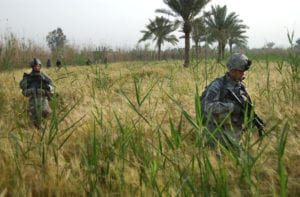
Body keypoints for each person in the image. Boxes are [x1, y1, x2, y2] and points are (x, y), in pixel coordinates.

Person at [200, 53, 257, 150]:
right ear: (232, 70)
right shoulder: (217, 85)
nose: (243, 74)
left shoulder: (240, 87)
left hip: (234, 135)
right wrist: (232, 107)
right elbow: (208, 106)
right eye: (240, 71)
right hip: (217, 135)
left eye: (244, 71)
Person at [20, 58, 54, 128]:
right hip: (33, 99)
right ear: (32, 67)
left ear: (40, 66)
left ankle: (44, 130)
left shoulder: (43, 76)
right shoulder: (28, 77)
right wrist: (31, 88)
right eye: (35, 66)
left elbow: (51, 85)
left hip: (43, 98)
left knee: (46, 113)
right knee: (34, 117)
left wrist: (46, 87)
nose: (37, 67)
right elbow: (22, 87)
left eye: (38, 66)